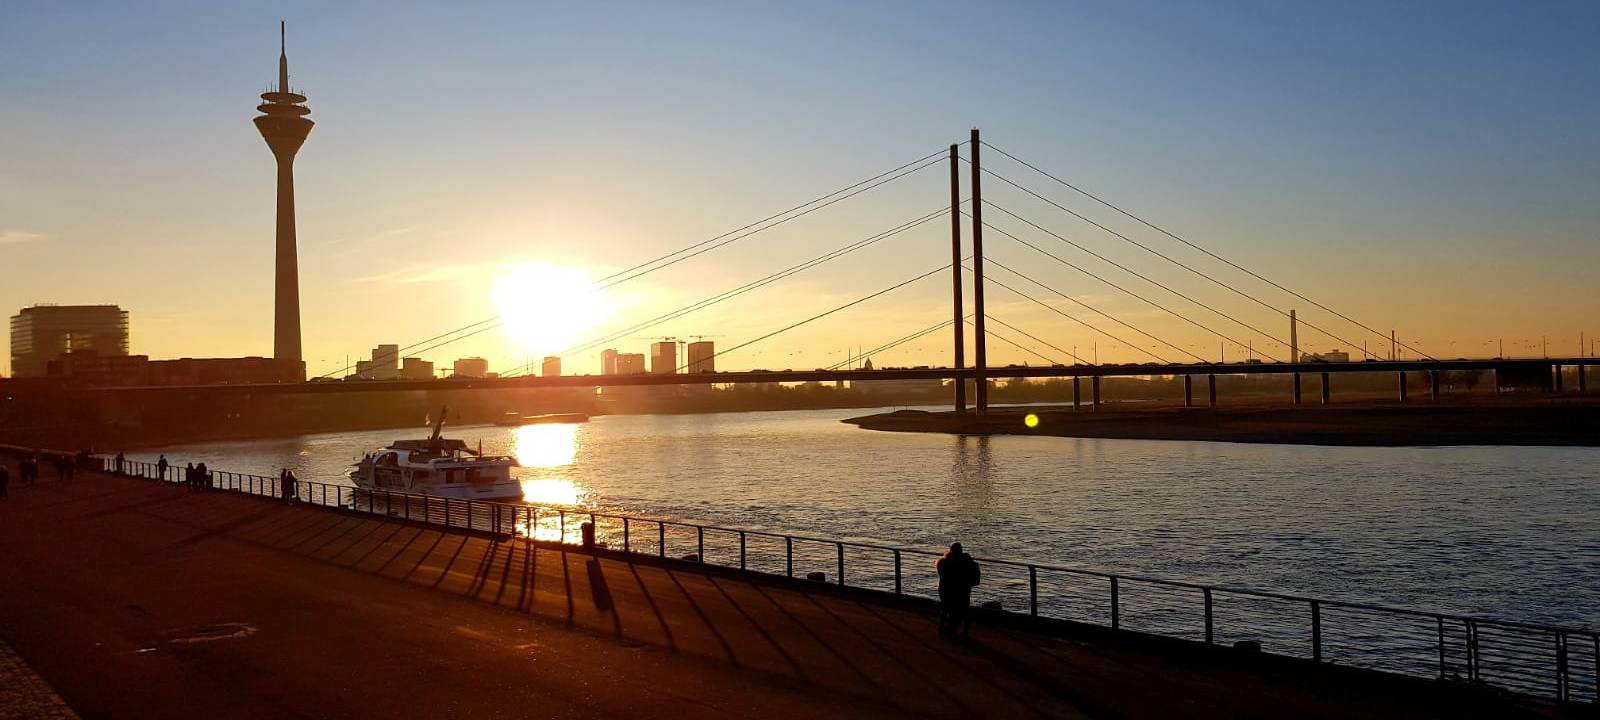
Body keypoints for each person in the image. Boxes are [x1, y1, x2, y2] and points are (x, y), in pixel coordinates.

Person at [935, 542, 981, 639]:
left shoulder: (944, 562)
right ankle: (963, 631)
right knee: (963, 610)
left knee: (947, 609)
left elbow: (943, 575)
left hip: (946, 590)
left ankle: (944, 628)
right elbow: (975, 579)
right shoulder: (968, 562)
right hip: (963, 591)